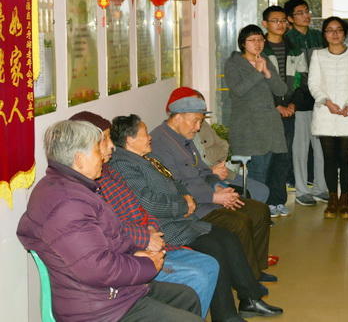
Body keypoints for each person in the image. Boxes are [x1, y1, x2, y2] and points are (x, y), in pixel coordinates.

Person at [17, 120, 205, 322]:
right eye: (97, 150)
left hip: (109, 291)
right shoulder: (67, 203)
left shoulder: (73, 188)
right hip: (98, 308)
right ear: (79, 159)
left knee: (186, 297)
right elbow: (97, 268)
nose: (103, 156)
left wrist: (135, 253)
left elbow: (107, 240)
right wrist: (146, 265)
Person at [109, 114, 283, 321]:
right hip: (165, 228)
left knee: (229, 238)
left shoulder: (147, 158)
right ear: (130, 139)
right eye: (145, 133)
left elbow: (174, 182)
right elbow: (149, 203)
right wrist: (184, 204)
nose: (150, 137)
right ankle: (226, 315)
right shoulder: (124, 165)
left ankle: (250, 299)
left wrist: (188, 198)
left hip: (181, 220)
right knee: (215, 249)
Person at [69, 111, 219, 318]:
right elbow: (109, 231)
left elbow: (142, 208)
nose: (112, 146)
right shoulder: (87, 187)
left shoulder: (108, 172)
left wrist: (151, 228)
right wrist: (145, 238)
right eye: (104, 140)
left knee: (210, 263)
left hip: (147, 239)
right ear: (82, 150)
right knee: (197, 275)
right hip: (129, 257)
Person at [149, 88, 273, 283]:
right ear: (179, 117)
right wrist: (214, 197)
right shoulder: (159, 143)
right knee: (239, 222)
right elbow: (175, 185)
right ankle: (247, 279)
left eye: (200, 121)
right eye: (195, 121)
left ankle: (255, 268)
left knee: (259, 211)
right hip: (194, 207)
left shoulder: (185, 138)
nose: (198, 127)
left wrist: (218, 187)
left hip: (209, 196)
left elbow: (205, 170)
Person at [224, 25, 289, 215]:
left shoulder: (265, 60)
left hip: (271, 126)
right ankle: (257, 212)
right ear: (243, 43)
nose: (257, 43)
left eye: (260, 39)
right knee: (258, 172)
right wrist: (257, 72)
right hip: (249, 128)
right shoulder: (233, 63)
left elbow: (281, 90)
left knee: (273, 168)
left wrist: (267, 72)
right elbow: (239, 90)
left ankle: (269, 205)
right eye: (252, 40)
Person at [308, 16, 348, 218]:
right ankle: (332, 199)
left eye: (339, 30)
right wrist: (326, 101)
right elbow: (314, 83)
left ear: (344, 33)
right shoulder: (318, 55)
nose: (334, 34)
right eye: (330, 30)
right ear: (324, 34)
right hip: (325, 112)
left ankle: (345, 200)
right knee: (329, 159)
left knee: (345, 158)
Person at [261, 5, 313, 215]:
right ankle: (264, 202)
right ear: (265, 24)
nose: (280, 24)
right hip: (266, 113)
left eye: (283, 20)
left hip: (289, 112)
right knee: (266, 158)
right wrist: (277, 105)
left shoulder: (294, 49)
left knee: (284, 157)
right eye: (275, 20)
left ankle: (278, 200)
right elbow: (258, 83)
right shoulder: (259, 49)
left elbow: (303, 81)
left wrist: (292, 105)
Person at [284, 0, 328, 204]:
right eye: (300, 13)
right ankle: (301, 190)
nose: (306, 15)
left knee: (321, 146)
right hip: (299, 99)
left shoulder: (318, 36)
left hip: (321, 98)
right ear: (290, 18)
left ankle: (321, 187)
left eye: (307, 11)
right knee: (300, 147)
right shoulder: (287, 39)